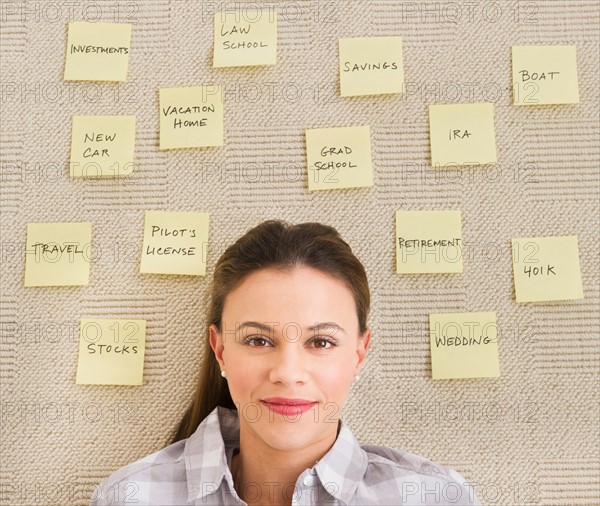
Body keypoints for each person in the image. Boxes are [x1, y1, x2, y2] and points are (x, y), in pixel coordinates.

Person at [91, 220, 480, 506]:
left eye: (321, 342)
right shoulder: (129, 497)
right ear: (220, 350)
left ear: (359, 354)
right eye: (258, 340)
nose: (288, 374)